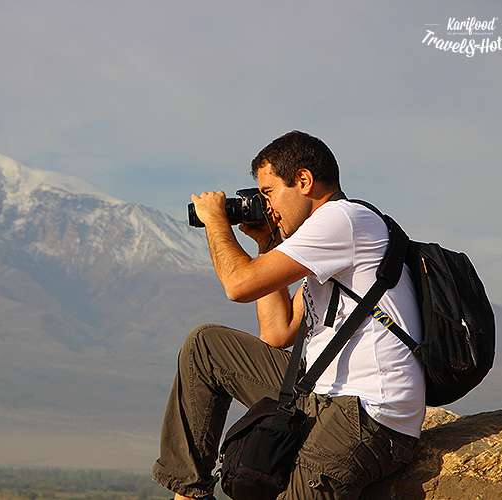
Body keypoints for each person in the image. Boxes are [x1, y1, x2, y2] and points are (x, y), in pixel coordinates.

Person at [152, 130, 425, 499]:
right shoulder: (330, 239)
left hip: (365, 413)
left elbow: (238, 285)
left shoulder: (341, 219)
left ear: (304, 181)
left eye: (268, 192)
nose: (266, 207)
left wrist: (216, 221)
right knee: (206, 347)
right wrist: (266, 243)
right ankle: (188, 494)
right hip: (325, 396)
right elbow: (277, 333)